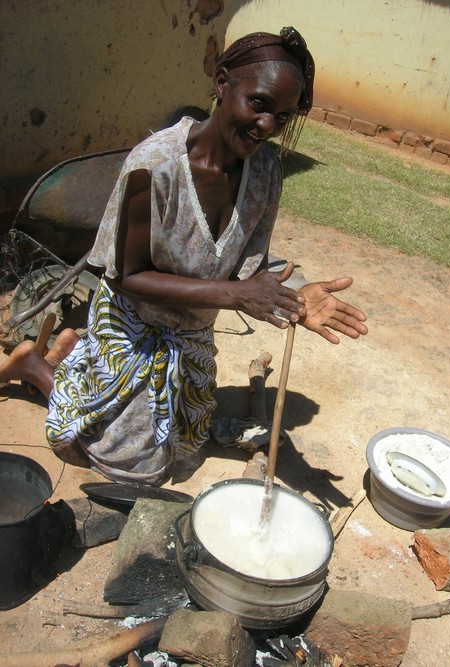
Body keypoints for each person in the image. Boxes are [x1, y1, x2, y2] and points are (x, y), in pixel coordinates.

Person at [0, 27, 368, 485]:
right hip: (132, 325)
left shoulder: (266, 172)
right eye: (259, 103)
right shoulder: (153, 167)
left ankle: (76, 362)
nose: (268, 126)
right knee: (135, 471)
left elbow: (250, 269)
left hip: (190, 334)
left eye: (284, 115)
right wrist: (233, 296)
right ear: (222, 83)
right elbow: (128, 276)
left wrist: (295, 293)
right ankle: (37, 367)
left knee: (185, 445)